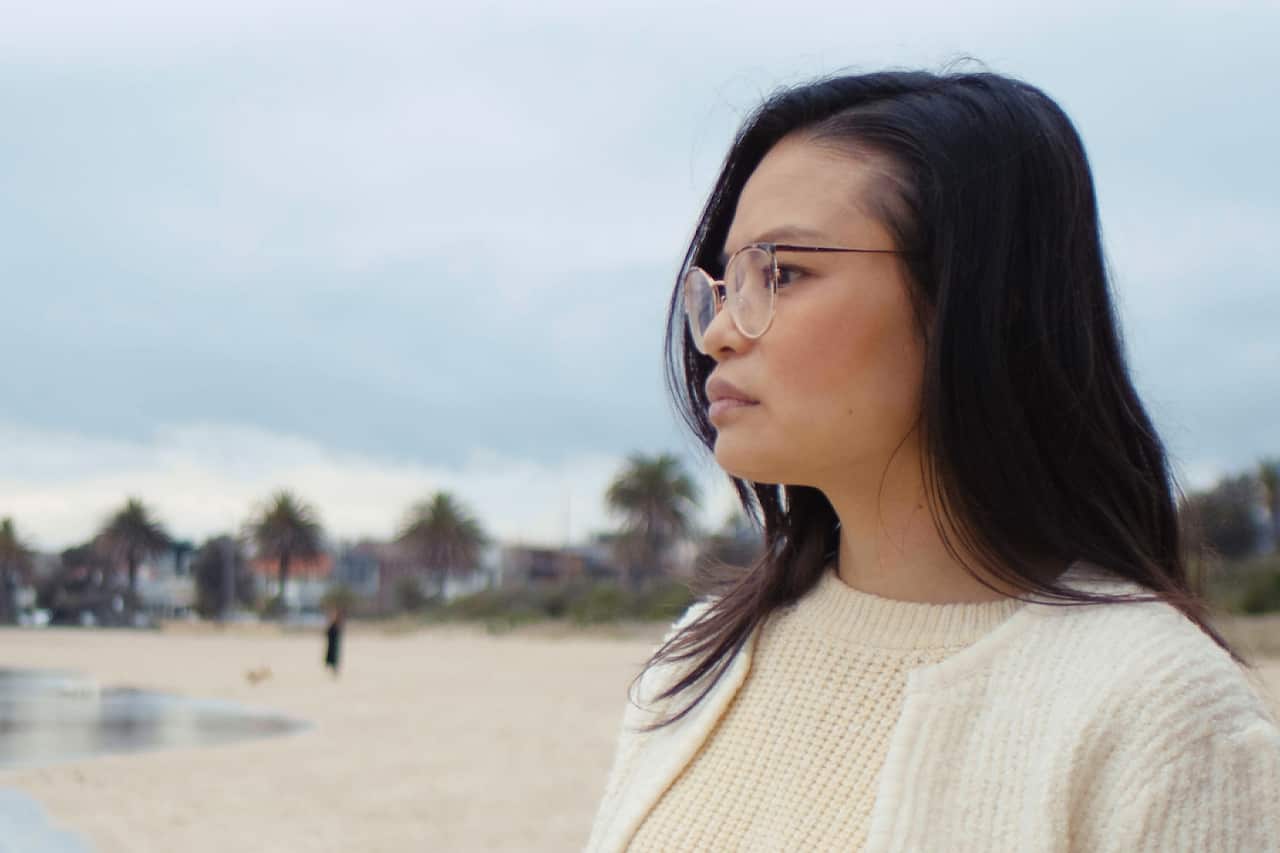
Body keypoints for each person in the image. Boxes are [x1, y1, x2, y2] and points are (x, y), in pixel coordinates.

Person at [585, 70, 1280, 852]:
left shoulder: (1162, 714)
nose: (717, 333)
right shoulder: (695, 659)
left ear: (973, 298)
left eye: (781, 273)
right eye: (720, 285)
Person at [323, 606, 344, 678]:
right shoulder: (333, 624)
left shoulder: (337, 624)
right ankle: (333, 670)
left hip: (334, 645)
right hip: (331, 644)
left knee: (334, 658)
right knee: (332, 658)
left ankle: (335, 671)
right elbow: (327, 633)